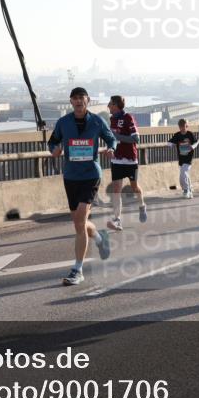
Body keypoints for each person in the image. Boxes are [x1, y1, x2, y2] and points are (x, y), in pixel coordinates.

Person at [48, 86, 117, 286]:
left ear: (88, 100)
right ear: (71, 102)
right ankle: (99, 237)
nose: (78, 101)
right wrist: (55, 150)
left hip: (90, 175)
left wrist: (110, 148)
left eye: (81, 98)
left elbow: (111, 138)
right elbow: (52, 142)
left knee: (79, 220)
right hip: (70, 176)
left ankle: (77, 270)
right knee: (80, 223)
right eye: (75, 98)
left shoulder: (97, 121)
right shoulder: (63, 122)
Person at [106, 95, 146, 231]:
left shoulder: (128, 117)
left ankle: (142, 205)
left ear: (116, 105)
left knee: (134, 187)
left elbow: (136, 138)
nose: (108, 106)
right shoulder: (111, 120)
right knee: (116, 189)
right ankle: (117, 219)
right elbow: (111, 139)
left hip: (130, 160)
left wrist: (118, 137)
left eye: (110, 104)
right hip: (116, 159)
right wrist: (110, 147)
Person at [168, 119, 199, 198]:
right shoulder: (177, 135)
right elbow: (170, 142)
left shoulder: (190, 134)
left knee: (183, 174)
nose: (182, 128)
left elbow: (197, 142)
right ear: (179, 127)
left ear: (187, 126)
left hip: (189, 158)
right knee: (185, 174)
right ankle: (190, 188)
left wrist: (193, 146)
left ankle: (186, 190)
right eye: (181, 127)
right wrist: (170, 144)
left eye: (184, 127)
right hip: (181, 158)